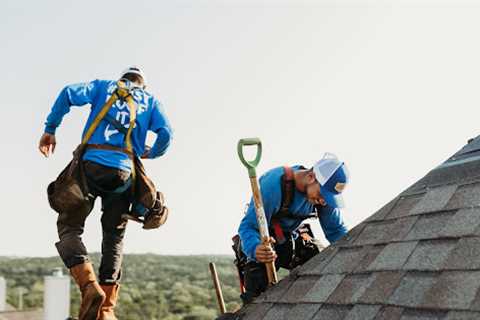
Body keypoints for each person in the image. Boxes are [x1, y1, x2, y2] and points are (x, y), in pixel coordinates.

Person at [39, 67, 173, 320]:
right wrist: (151, 152)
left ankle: (89, 287)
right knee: (114, 238)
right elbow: (167, 134)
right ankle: (107, 310)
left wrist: (51, 129)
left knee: (69, 227)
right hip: (124, 174)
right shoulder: (150, 100)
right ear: (142, 85)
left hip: (89, 168)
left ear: (122, 79)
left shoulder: (103, 86)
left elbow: (68, 92)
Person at [236, 153, 349, 304]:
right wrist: (255, 249)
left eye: (328, 198)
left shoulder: (323, 198)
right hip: (263, 241)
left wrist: (352, 254)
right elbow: (248, 227)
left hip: (290, 238)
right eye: (323, 195)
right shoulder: (274, 185)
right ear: (311, 177)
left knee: (321, 262)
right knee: (257, 289)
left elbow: (336, 232)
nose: (323, 202)